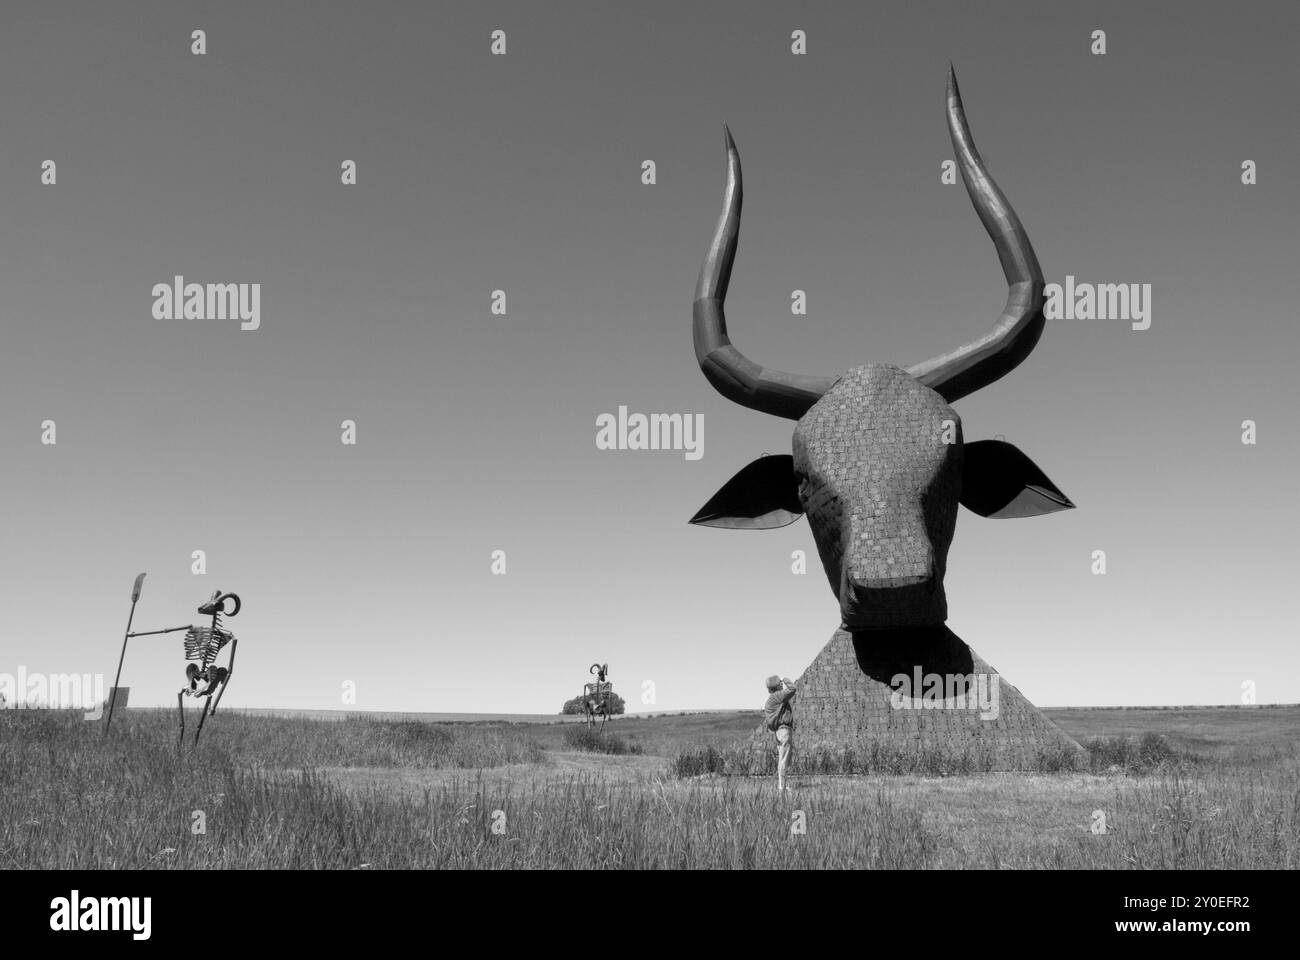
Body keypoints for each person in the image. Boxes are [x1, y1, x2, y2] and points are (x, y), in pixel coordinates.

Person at [764, 675, 797, 790]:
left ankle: (782, 785)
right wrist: (786, 679)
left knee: (782, 758)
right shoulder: (778, 696)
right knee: (784, 759)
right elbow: (793, 689)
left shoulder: (770, 700)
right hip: (784, 730)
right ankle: (782, 787)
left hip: (778, 731)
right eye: (780, 683)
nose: (782, 684)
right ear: (776, 686)